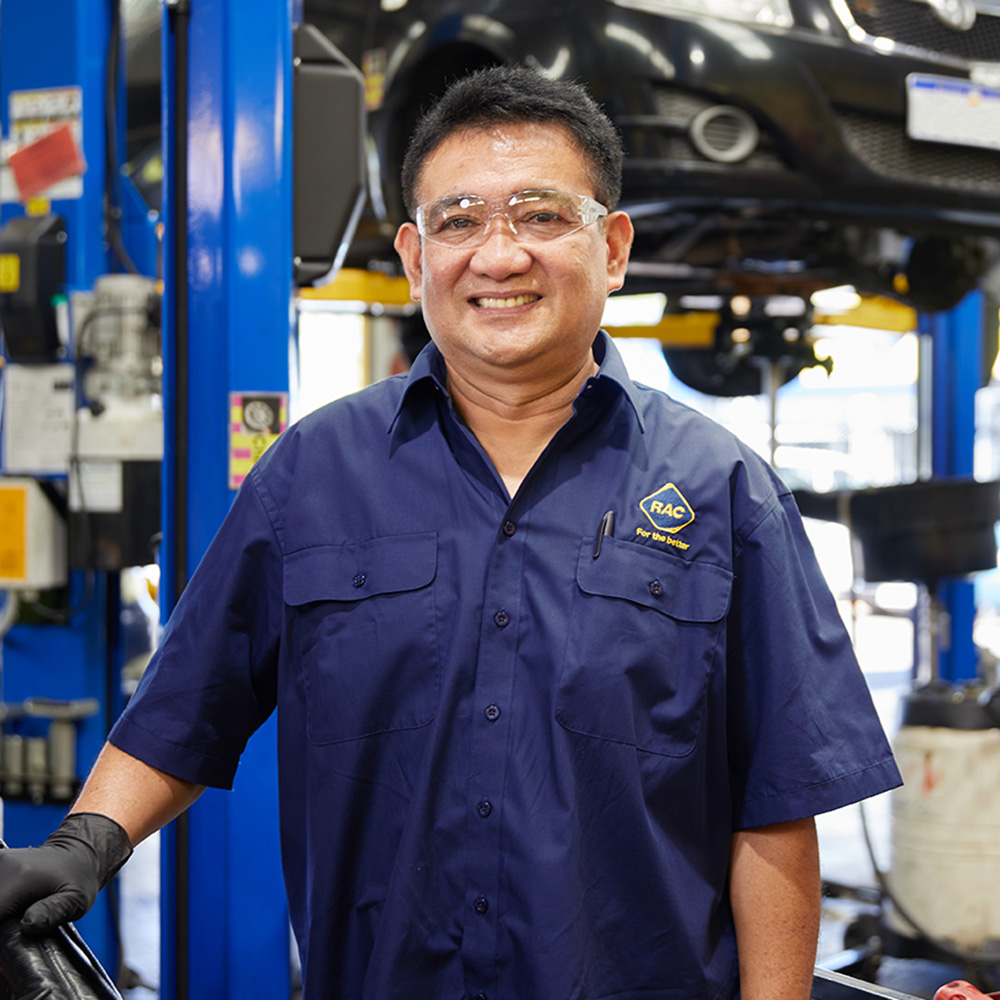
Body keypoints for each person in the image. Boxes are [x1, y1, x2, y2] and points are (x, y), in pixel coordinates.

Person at [0, 65, 901, 1000]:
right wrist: (82, 848)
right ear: (414, 255)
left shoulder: (725, 491)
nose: (499, 256)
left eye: (542, 216)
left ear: (615, 246)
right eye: (459, 221)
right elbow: (187, 707)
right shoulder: (313, 474)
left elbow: (780, 803)